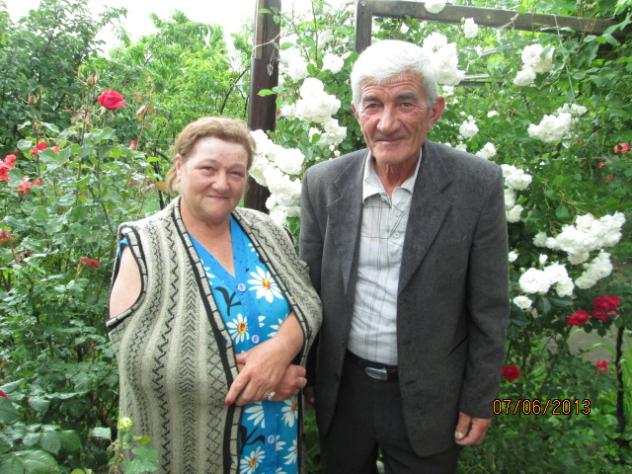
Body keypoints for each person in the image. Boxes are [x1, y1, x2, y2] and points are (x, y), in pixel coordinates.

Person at [300, 40, 509, 473]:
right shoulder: (323, 183)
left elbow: (489, 307)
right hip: (344, 389)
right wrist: (309, 375)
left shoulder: (476, 185)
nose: (387, 123)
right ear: (356, 112)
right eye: (373, 105)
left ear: (435, 111)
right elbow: (309, 290)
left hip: (432, 395)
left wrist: (478, 398)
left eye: (406, 103)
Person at [107, 117, 321, 473]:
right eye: (208, 168)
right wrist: (267, 384)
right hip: (191, 453)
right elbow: (142, 361)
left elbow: (307, 302)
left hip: (275, 447)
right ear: (180, 167)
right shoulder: (145, 246)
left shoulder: (266, 231)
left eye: (236, 173)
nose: (222, 183)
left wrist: (280, 350)